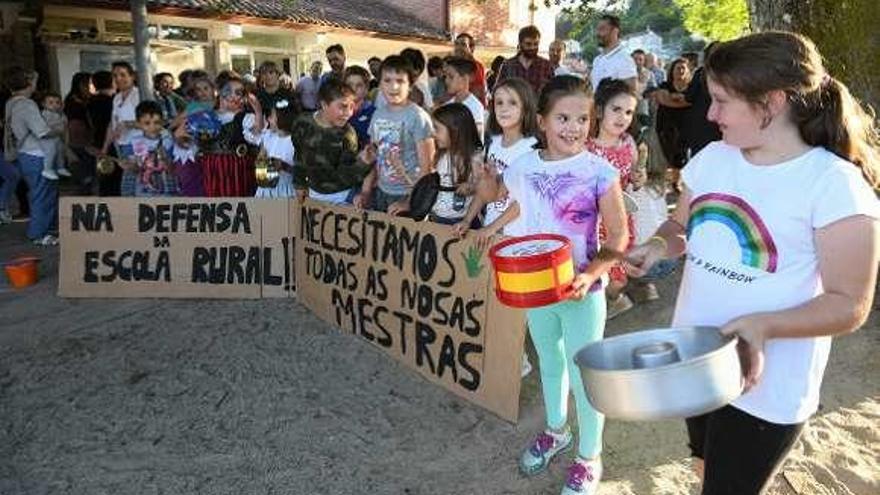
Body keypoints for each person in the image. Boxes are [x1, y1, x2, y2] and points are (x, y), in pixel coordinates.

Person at [625, 31, 879, 495]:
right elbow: (682, 226)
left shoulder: (834, 185)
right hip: (696, 359)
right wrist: (659, 247)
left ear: (772, 102)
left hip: (766, 389)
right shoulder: (713, 158)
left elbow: (850, 305)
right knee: (704, 461)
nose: (709, 113)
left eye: (722, 101)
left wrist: (761, 326)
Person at [493, 75, 628, 495]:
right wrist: (486, 210)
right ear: (542, 121)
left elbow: (619, 235)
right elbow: (516, 204)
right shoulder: (523, 166)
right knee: (550, 362)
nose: (573, 127)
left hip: (581, 291)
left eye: (582, 118)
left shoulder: (599, 171)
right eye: (563, 118)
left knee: (584, 373)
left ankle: (590, 456)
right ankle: (557, 431)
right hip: (537, 289)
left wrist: (592, 274)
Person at [454, 77, 539, 378]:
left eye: (512, 102)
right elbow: (486, 191)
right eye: (499, 102)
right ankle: (512, 356)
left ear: (526, 107)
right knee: (496, 297)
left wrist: (493, 229)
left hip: (519, 236)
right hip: (493, 232)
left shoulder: (532, 149)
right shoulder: (492, 143)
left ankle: (518, 361)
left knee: (516, 303)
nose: (504, 108)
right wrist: (468, 219)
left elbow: (523, 203)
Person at [585, 78, 639, 319]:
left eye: (629, 112)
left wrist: (639, 178)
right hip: (590, 223)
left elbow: (633, 179)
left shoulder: (629, 145)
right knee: (591, 270)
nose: (623, 117)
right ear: (599, 110)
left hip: (619, 223)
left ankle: (614, 300)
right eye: (616, 109)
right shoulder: (585, 147)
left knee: (617, 279)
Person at [356, 55, 435, 213]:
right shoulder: (378, 114)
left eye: (400, 81)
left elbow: (427, 169)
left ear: (410, 85)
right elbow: (375, 158)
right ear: (379, 84)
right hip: (381, 192)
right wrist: (365, 192)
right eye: (387, 80)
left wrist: (409, 203)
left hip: (407, 196)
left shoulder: (418, 117)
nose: (393, 87)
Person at [4, 67, 61, 245]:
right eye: (34, 81)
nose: (36, 84)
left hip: (24, 154)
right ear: (28, 83)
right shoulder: (26, 104)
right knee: (43, 194)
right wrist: (58, 130)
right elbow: (42, 132)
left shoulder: (11, 102)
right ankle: (39, 233)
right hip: (37, 154)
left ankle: (47, 229)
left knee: (40, 192)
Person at [291, 79, 370, 205]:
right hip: (313, 194)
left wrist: (364, 163)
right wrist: (299, 184)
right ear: (324, 104)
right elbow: (299, 155)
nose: (348, 113)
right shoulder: (302, 123)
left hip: (343, 197)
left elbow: (345, 175)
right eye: (343, 107)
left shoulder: (348, 134)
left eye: (351, 107)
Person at [192, 74, 263, 197]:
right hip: (211, 170)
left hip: (237, 170)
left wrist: (258, 111)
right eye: (229, 91)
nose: (234, 96)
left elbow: (258, 134)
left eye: (239, 93)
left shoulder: (245, 118)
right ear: (218, 91)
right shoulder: (206, 116)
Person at [421, 103, 481, 224]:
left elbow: (482, 187)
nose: (433, 134)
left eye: (437, 128)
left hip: (460, 222)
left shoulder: (474, 158)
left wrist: (471, 187)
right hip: (436, 218)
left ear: (455, 130)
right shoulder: (442, 154)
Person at [100, 61, 140, 196]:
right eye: (115, 76)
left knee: (131, 187)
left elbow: (153, 123)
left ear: (132, 76)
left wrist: (127, 124)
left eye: (123, 75)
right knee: (131, 185)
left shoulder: (139, 95)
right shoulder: (116, 98)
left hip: (137, 145)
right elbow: (113, 124)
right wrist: (105, 148)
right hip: (121, 147)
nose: (118, 79)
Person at [123, 100, 177, 197]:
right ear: (138, 124)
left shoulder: (167, 139)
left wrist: (166, 159)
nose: (152, 127)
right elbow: (130, 169)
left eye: (156, 122)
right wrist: (129, 164)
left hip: (165, 189)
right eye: (147, 123)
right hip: (139, 190)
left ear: (162, 122)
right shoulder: (133, 140)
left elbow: (172, 168)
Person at [653, 58, 692, 190]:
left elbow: (670, 100)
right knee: (665, 153)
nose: (680, 70)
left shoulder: (692, 87)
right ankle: (664, 183)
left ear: (687, 71)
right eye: (677, 68)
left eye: (683, 68)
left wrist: (674, 99)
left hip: (685, 125)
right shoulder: (665, 85)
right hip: (665, 125)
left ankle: (676, 182)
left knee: (681, 155)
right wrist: (685, 101)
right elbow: (663, 99)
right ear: (672, 71)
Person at [682, 42, 722, 156]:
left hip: (702, 120)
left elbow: (689, 98)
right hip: (719, 120)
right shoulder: (732, 73)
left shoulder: (701, 73)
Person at [254, 98, 297, 199]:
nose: (268, 119)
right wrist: (262, 163)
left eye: (271, 117)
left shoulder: (295, 141)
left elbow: (303, 172)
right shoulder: (268, 137)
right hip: (266, 190)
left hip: (286, 191)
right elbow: (260, 167)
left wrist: (283, 166)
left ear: (283, 118)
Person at [495, 25, 555, 95]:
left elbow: (553, 93)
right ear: (520, 44)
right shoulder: (508, 66)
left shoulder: (546, 66)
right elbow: (497, 92)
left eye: (536, 44)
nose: (532, 47)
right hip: (514, 105)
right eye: (528, 44)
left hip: (538, 105)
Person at [64, 72, 95, 194]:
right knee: (84, 163)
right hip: (77, 134)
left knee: (87, 163)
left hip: (85, 134)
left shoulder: (85, 98)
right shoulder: (73, 99)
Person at [87, 70, 115, 196]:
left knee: (104, 175)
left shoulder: (90, 101)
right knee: (113, 176)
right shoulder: (113, 101)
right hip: (112, 140)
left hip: (97, 139)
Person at [591, 15, 637, 92]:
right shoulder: (597, 60)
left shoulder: (624, 59)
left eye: (602, 29)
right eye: (597, 29)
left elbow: (631, 92)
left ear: (615, 31)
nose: (598, 33)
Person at [443, 57, 486, 137]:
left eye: (451, 77)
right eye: (445, 76)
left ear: (465, 79)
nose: (446, 80)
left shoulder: (475, 107)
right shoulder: (447, 105)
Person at [38, 91, 72, 180]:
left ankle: (61, 167)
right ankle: (47, 168)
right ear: (43, 104)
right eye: (50, 103)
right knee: (51, 151)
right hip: (47, 139)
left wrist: (66, 142)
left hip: (57, 137)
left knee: (60, 150)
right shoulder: (44, 114)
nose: (54, 105)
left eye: (57, 102)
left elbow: (65, 127)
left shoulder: (62, 114)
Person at [343, 66, 376, 150]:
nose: (353, 89)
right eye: (349, 85)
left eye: (359, 85)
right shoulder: (337, 112)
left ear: (366, 89)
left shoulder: (375, 114)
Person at [453, 33, 488, 105]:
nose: (458, 47)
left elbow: (478, 92)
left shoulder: (476, 66)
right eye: (456, 44)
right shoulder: (454, 66)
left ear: (471, 48)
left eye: (463, 45)